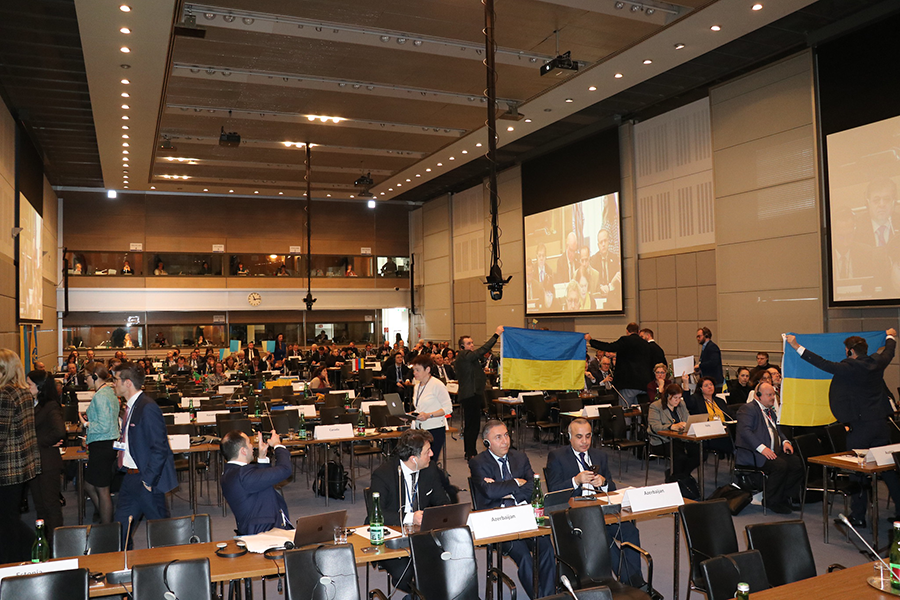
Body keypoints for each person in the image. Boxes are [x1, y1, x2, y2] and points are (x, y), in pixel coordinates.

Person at [786, 329, 900, 525]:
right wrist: (890, 336)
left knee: (858, 471)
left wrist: (796, 346)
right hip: (881, 424)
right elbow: (889, 351)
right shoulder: (878, 363)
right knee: (888, 470)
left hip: (860, 427)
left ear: (849, 351)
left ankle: (858, 516)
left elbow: (820, 362)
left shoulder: (848, 368)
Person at [546, 418, 647, 589]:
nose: (584, 441)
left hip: (601, 509)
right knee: (604, 539)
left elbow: (612, 488)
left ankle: (633, 582)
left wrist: (604, 483)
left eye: (588, 436)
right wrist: (575, 481)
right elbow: (553, 491)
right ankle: (634, 585)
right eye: (579, 437)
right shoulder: (557, 457)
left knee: (630, 532)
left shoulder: (600, 455)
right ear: (569, 437)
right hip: (576, 514)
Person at [469, 421, 555, 599]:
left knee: (546, 547)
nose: (505, 441)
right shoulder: (478, 462)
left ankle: (548, 596)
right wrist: (516, 482)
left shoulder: (520, 457)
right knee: (523, 555)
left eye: (506, 435)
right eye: (498, 437)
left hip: (523, 515)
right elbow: (489, 492)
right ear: (487, 442)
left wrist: (506, 492)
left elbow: (533, 486)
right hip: (498, 520)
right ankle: (539, 596)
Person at [368, 429, 449, 594]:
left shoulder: (430, 469)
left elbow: (443, 502)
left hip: (421, 534)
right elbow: (375, 514)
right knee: (403, 574)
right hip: (392, 534)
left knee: (450, 560)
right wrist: (411, 517)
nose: (432, 454)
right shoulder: (383, 474)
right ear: (414, 459)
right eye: (427, 452)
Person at [112, 361, 178, 548]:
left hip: (146, 479)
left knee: (161, 534)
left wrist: (148, 480)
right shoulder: (131, 406)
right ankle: (123, 568)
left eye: (116, 380)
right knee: (120, 530)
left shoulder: (147, 407)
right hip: (130, 478)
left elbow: (160, 448)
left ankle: (171, 571)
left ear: (128, 383)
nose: (113, 384)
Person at [734, 382, 803, 514]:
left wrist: (785, 441)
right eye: (769, 395)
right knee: (780, 466)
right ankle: (771, 500)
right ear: (758, 396)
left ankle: (785, 497)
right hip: (755, 453)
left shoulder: (770, 410)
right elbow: (745, 431)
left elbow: (777, 430)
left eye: (773, 395)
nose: (773, 398)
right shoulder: (748, 409)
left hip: (773, 450)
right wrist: (762, 448)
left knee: (796, 464)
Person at [0, 349, 40, 564]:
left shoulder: (5, 395)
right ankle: (28, 553)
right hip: (21, 466)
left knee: (6, 521)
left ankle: (28, 552)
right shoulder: (24, 392)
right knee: (9, 518)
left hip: (5, 469)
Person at [221, 430, 292, 535]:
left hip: (255, 530)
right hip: (266, 534)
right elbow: (285, 470)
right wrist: (278, 445)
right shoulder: (244, 475)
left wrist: (262, 458)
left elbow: (260, 483)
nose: (252, 446)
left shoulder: (230, 473)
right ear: (243, 451)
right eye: (249, 443)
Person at [26, 370, 65, 543]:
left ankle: (57, 545)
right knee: (40, 507)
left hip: (48, 462)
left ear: (39, 387)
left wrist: (37, 441)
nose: (27, 387)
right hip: (36, 463)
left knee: (51, 506)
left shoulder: (50, 406)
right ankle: (45, 543)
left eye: (29, 384)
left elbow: (59, 431)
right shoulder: (34, 404)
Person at [455, 326, 503, 460]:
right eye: (468, 343)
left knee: (473, 425)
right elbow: (483, 350)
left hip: (473, 394)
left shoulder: (467, 357)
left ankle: (470, 451)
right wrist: (496, 335)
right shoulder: (464, 355)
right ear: (462, 347)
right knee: (472, 425)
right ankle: (470, 453)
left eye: (472, 343)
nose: (471, 345)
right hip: (470, 395)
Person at [79, 365, 119, 524]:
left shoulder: (100, 396)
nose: (85, 380)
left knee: (102, 490)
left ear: (95, 376)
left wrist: (86, 424)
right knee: (89, 485)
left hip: (102, 445)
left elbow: (103, 426)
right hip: (104, 444)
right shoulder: (109, 392)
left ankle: (108, 527)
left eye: (87, 376)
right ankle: (106, 517)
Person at [586, 323, 654, 406]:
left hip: (628, 383)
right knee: (639, 411)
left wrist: (591, 340)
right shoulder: (646, 344)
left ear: (627, 331)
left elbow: (609, 346)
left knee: (625, 410)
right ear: (638, 331)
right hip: (644, 383)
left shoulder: (625, 340)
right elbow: (634, 356)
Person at [648, 383, 700, 484]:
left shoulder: (681, 404)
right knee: (680, 457)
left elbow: (688, 419)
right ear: (668, 396)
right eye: (675, 398)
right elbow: (655, 427)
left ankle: (678, 476)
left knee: (700, 453)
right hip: (662, 440)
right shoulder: (655, 406)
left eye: (680, 397)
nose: (678, 400)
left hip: (681, 438)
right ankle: (678, 479)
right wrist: (672, 427)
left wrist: (686, 424)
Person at [410, 354, 453, 460]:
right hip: (419, 429)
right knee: (419, 461)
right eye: (414, 370)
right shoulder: (417, 386)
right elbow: (420, 408)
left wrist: (429, 415)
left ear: (427, 369)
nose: (414, 373)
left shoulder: (437, 385)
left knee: (430, 463)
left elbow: (448, 408)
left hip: (434, 429)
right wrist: (409, 415)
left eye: (417, 370)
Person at [681, 375, 734, 456]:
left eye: (711, 385)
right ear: (701, 389)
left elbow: (729, 415)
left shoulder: (720, 401)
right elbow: (688, 402)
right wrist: (686, 384)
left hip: (723, 431)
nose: (710, 387)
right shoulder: (697, 400)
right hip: (708, 434)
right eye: (706, 385)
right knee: (733, 442)